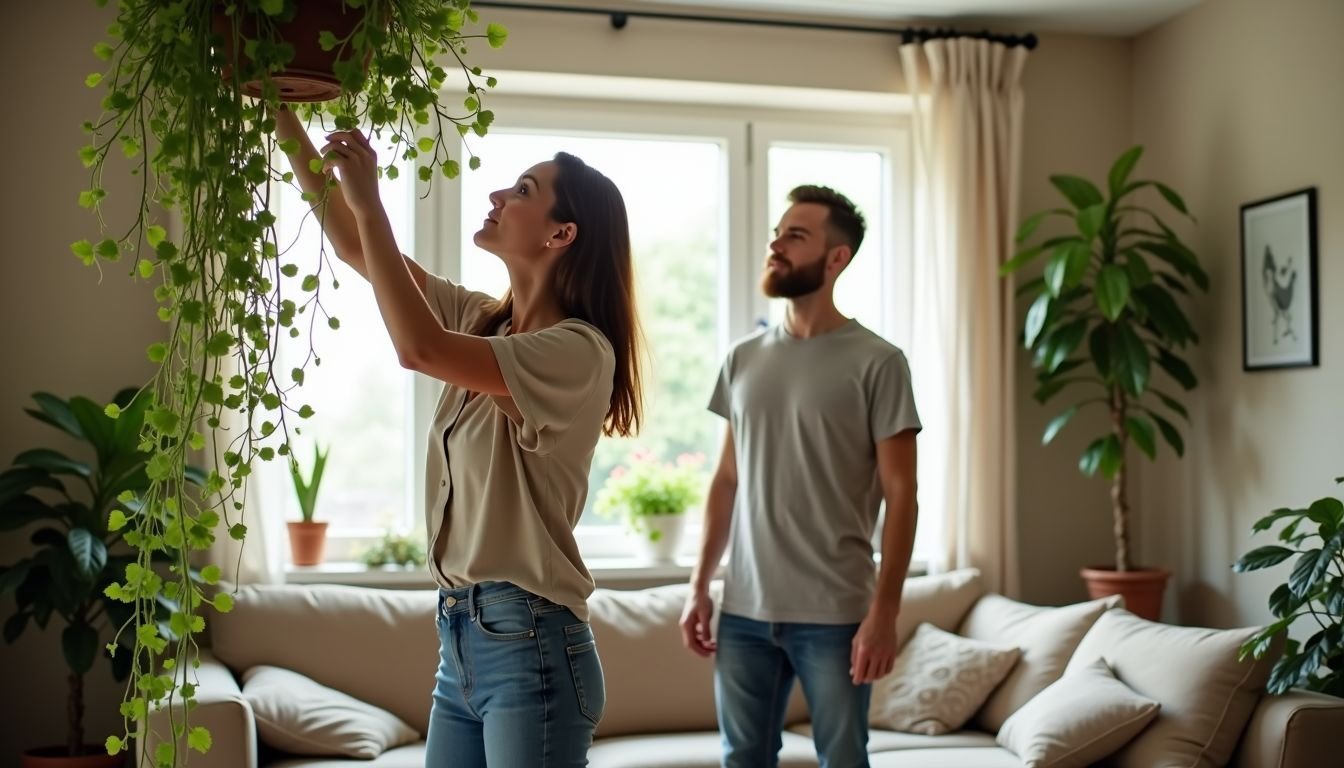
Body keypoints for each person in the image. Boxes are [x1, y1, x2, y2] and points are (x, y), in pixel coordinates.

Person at [276, 108, 642, 767]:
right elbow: (357, 245)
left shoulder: (579, 351)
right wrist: (276, 111)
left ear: (562, 233)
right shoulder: (484, 323)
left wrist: (374, 203)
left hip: (531, 641)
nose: (499, 195)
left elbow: (419, 348)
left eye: (523, 190)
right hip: (462, 638)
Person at [679, 185, 921, 768]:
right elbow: (726, 481)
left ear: (836, 258)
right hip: (744, 611)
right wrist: (699, 586)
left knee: (843, 758)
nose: (776, 243)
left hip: (837, 615)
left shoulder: (878, 362)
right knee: (743, 760)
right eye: (778, 232)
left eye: (796, 235)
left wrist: (884, 611)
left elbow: (902, 494)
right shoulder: (742, 357)